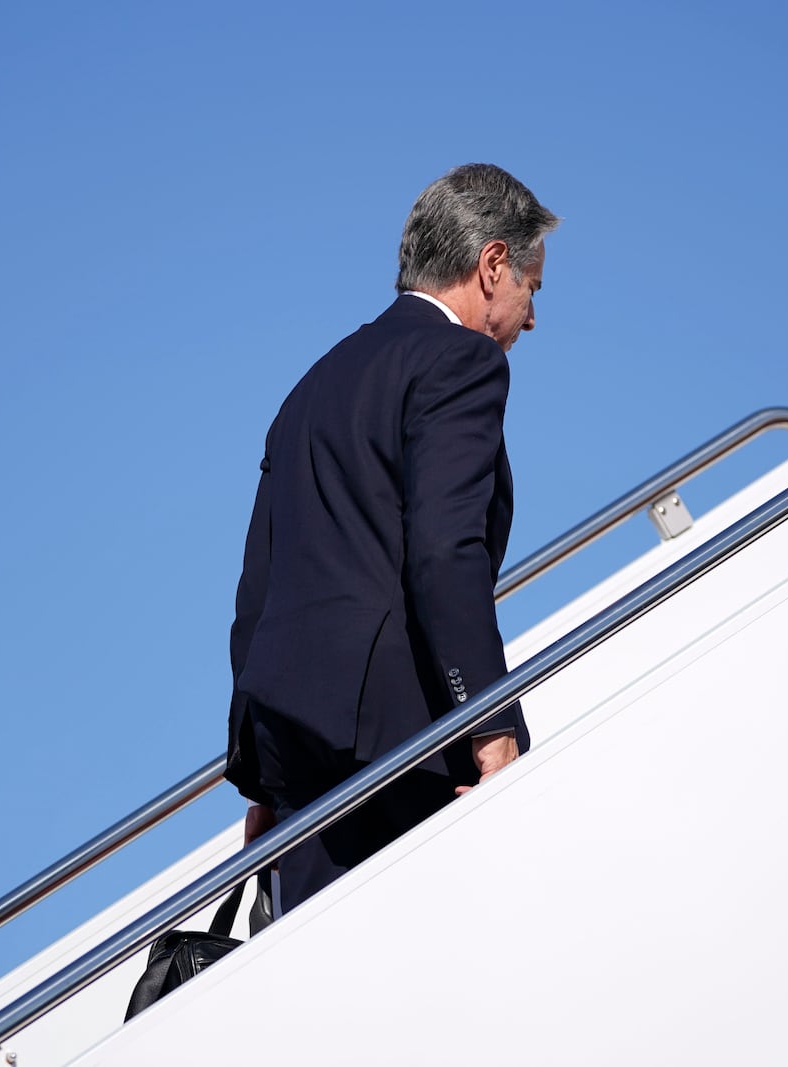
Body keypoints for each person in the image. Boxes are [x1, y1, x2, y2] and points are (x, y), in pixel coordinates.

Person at [224, 163, 559, 916]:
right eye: (533, 287)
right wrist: (492, 725)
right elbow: (446, 552)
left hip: (294, 762)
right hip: (397, 750)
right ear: (493, 264)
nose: (531, 316)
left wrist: (264, 786)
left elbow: (258, 594)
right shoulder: (459, 360)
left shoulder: (309, 387)